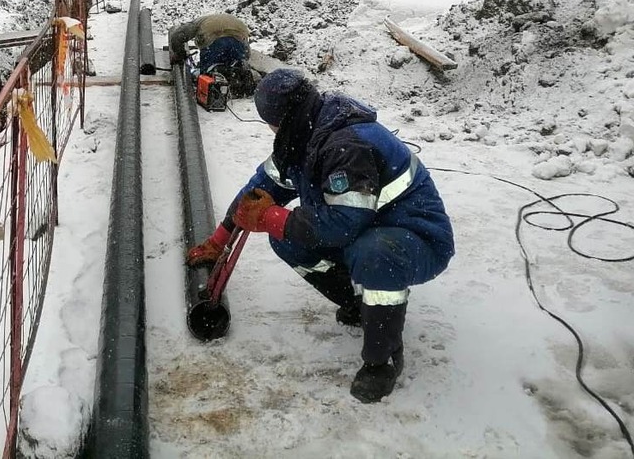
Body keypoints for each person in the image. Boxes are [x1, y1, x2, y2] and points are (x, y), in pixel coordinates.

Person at [187, 69, 455, 403]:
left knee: (374, 253)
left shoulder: (346, 145)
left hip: (417, 239)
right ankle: (358, 305)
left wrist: (271, 216)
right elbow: (257, 190)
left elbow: (343, 224)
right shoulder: (304, 135)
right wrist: (219, 239)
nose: (270, 130)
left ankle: (382, 361)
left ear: (282, 119)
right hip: (368, 230)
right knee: (287, 239)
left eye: (270, 122)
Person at [168, 13, 257, 97]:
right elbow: (246, 50)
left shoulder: (199, 22)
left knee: (208, 76)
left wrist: (179, 55)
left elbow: (178, 35)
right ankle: (241, 83)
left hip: (214, 42)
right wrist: (243, 59)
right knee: (236, 66)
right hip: (238, 41)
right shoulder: (234, 21)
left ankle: (215, 88)